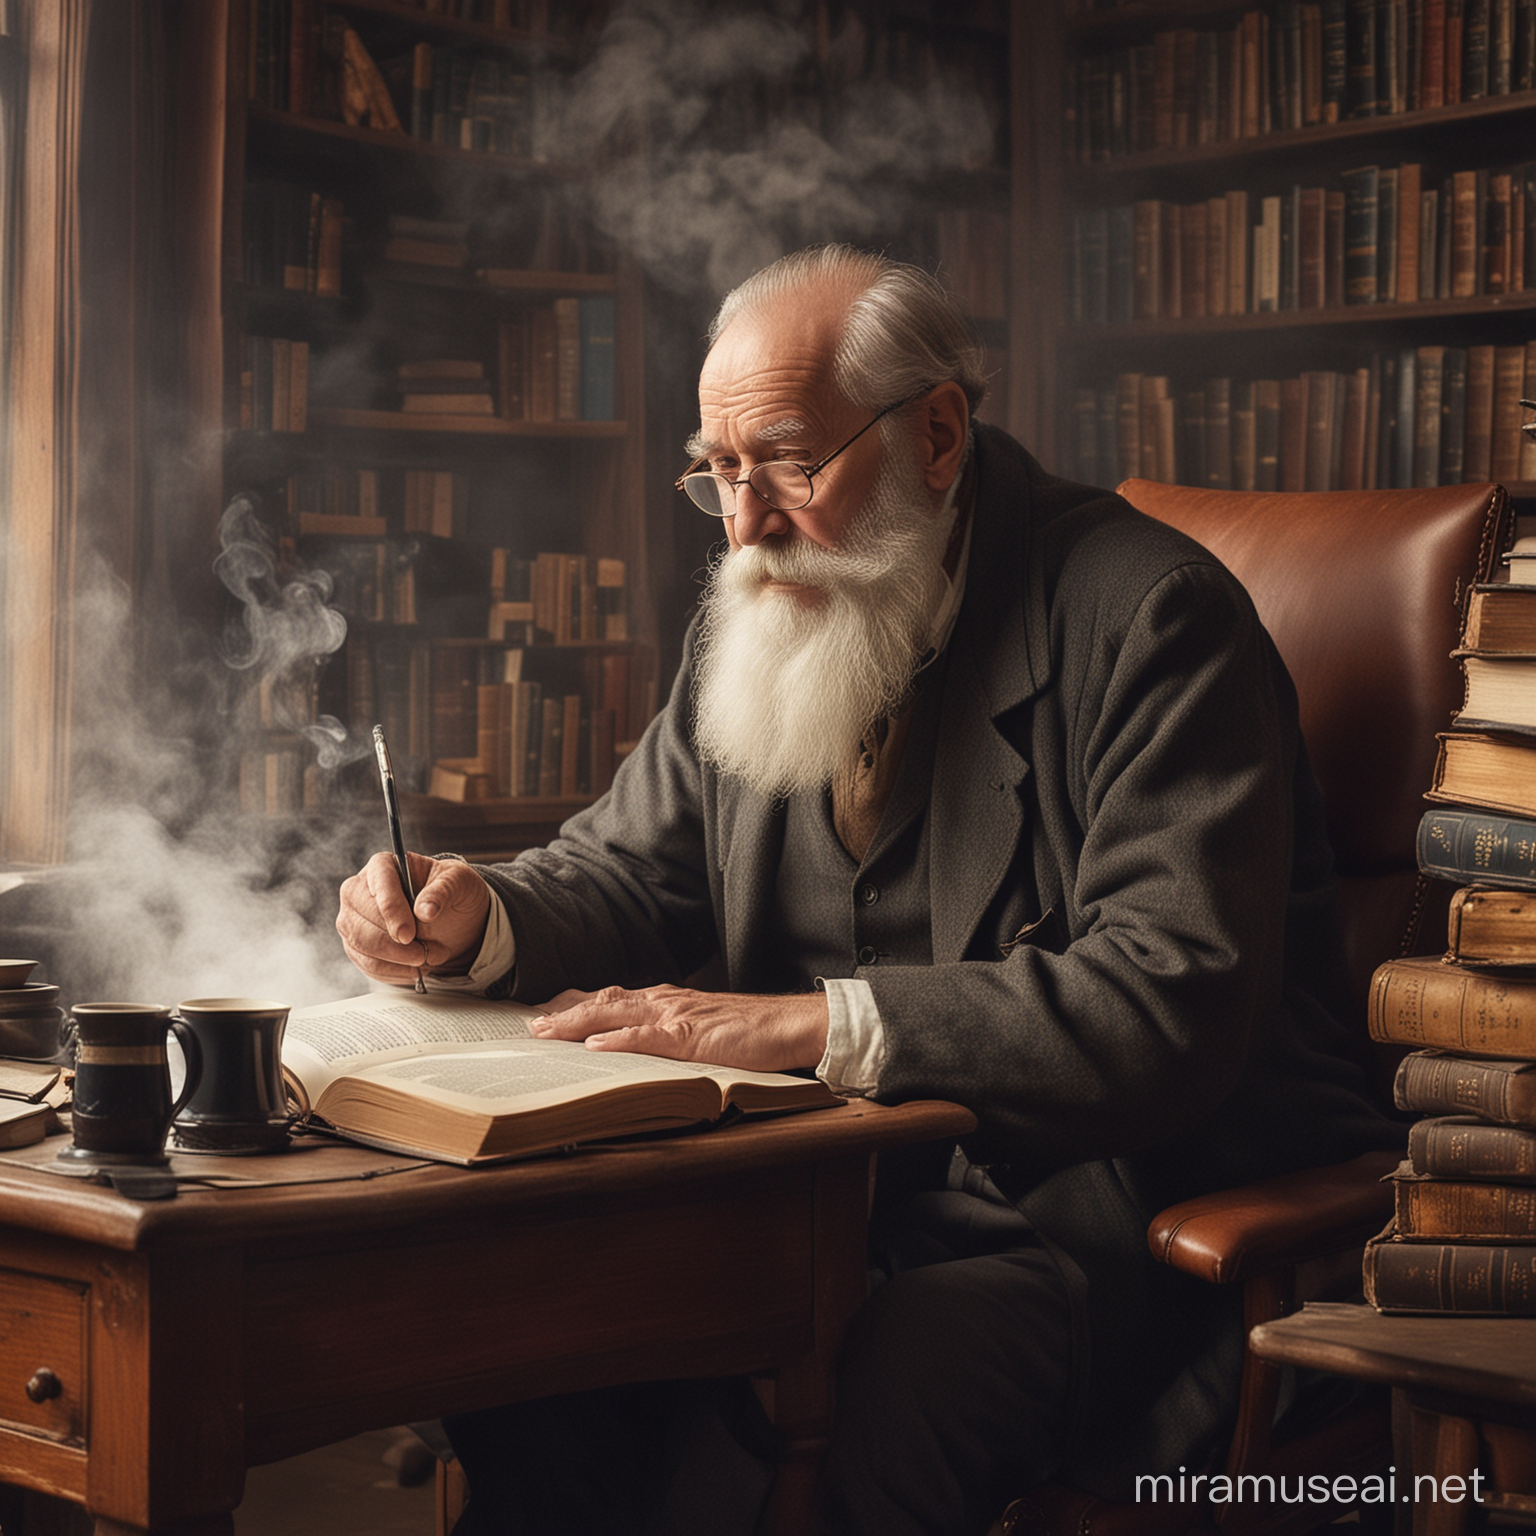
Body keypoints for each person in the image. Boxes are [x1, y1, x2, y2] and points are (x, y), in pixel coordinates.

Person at [336, 245, 1399, 1535]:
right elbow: (628, 863)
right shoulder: (760, 606)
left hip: (1095, 1234)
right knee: (533, 1368)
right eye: (719, 472)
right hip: (807, 1206)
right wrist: (481, 917)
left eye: (787, 459)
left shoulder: (1154, 619)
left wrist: (808, 1023)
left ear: (938, 434)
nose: (746, 522)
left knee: (835, 1428)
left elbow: (1167, 996)